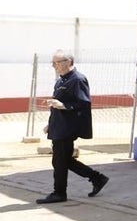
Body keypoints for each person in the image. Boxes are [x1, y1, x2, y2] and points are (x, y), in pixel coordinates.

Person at [36, 51, 109, 204]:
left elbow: (83, 103)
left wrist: (63, 105)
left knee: (59, 161)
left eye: (56, 62)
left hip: (67, 128)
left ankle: (59, 193)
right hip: (59, 126)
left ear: (68, 62)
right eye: (53, 63)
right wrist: (50, 124)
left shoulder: (78, 79)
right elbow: (57, 105)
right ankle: (97, 178)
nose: (54, 66)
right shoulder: (61, 81)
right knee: (64, 160)